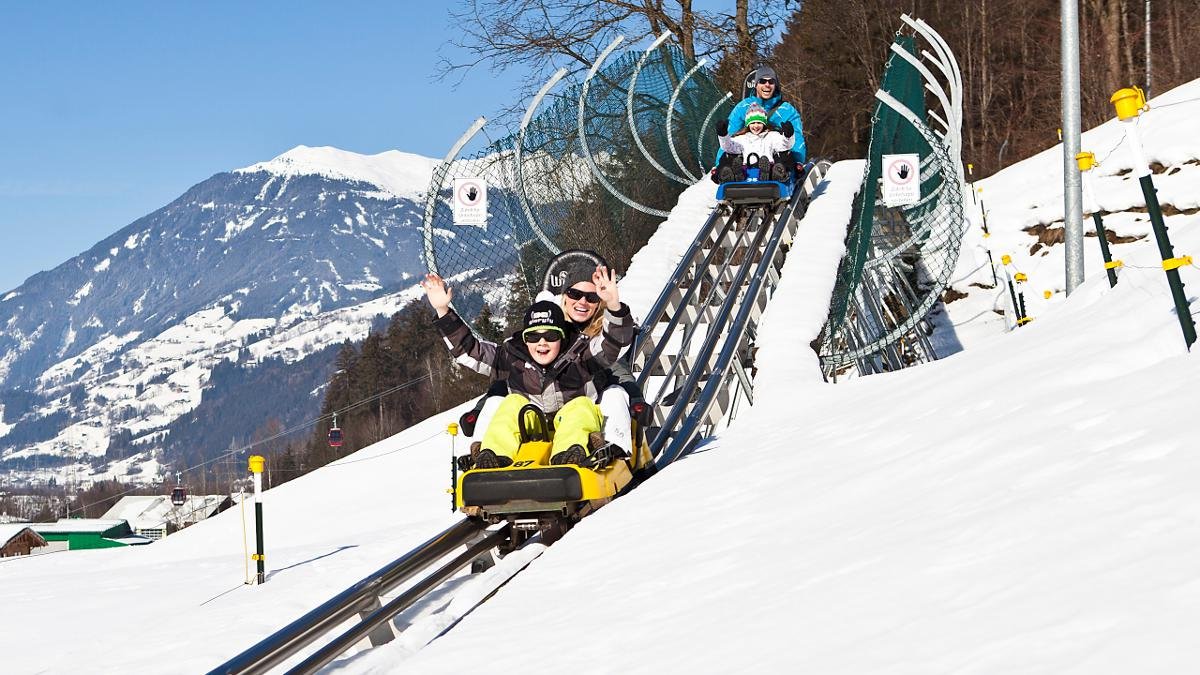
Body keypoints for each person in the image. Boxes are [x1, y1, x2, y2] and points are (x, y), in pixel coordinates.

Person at [422, 267, 634, 468]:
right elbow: (469, 350)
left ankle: (569, 455)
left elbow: (614, 343)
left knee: (580, 406)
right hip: (531, 422)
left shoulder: (581, 354)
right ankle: (494, 455)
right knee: (511, 403)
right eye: (533, 336)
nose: (542, 343)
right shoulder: (511, 356)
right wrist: (443, 310)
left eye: (550, 336)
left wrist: (613, 306)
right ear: (524, 340)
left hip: (573, 422)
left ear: (562, 337)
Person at [541, 250, 641, 460]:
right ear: (565, 296)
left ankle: (613, 450)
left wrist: (635, 398)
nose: (582, 302)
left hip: (591, 407)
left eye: (592, 297)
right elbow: (515, 369)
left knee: (614, 393)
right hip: (550, 409)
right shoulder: (548, 332)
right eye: (575, 294)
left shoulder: (603, 334)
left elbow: (617, 366)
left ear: (599, 302)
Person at [716, 65, 806, 170]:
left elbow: (797, 138)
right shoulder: (743, 107)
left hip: (773, 156)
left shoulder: (786, 110)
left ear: (775, 85)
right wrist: (719, 164)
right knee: (732, 155)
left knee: (784, 155)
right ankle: (730, 173)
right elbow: (730, 135)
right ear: (756, 85)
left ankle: (780, 171)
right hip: (747, 155)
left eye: (771, 82)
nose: (767, 85)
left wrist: (798, 162)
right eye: (762, 81)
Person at [715, 103, 796, 183]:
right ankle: (735, 175)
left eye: (759, 123)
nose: (756, 126)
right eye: (753, 123)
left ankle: (772, 175)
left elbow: (784, 146)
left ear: (764, 123)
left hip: (768, 168)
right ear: (748, 124)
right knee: (728, 156)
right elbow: (729, 147)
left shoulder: (772, 136)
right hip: (746, 169)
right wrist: (723, 135)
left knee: (784, 155)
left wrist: (788, 135)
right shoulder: (742, 138)